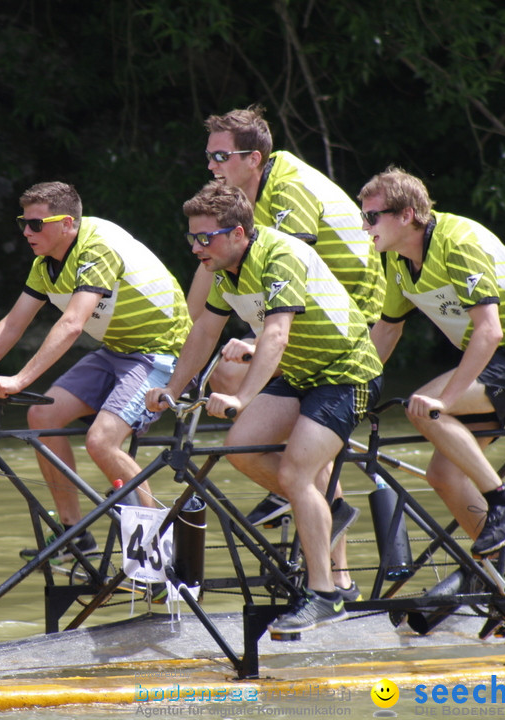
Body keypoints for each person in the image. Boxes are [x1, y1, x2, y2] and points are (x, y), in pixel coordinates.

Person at [147, 180, 384, 633]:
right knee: (243, 445)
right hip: (302, 376)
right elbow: (204, 332)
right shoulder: (223, 269)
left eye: (205, 238)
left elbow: (275, 335)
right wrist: (174, 388)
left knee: (296, 473)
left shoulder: (280, 255)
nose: (196, 247)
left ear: (237, 233)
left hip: (347, 373)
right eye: (191, 237)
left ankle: (326, 594)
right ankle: (324, 511)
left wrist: (240, 397)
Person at [0, 181, 192, 563]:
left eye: (36, 224)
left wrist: (20, 380)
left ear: (68, 223)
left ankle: (157, 554)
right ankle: (75, 535)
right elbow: (13, 324)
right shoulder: (45, 265)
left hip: (162, 354)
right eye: (23, 222)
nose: (26, 232)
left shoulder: (96, 248)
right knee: (42, 414)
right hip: (117, 350)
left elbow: (72, 324)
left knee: (101, 442)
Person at [360, 167, 505, 598]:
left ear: (407, 215)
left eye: (373, 217)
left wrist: (446, 401)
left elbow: (490, 332)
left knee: (427, 406)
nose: (365, 227)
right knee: (443, 474)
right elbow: (386, 331)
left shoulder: (458, 242)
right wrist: (352, 388)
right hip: (495, 358)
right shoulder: (397, 262)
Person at [194, 105, 386, 529]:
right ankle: (302, 496)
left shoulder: (286, 189)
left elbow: (289, 271)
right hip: (306, 310)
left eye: (220, 157)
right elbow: (210, 270)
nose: (210, 166)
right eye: (209, 156)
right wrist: (182, 351)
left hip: (348, 313)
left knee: (241, 373)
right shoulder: (244, 200)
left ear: (253, 159)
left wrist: (255, 337)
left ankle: (304, 495)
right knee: (227, 373)